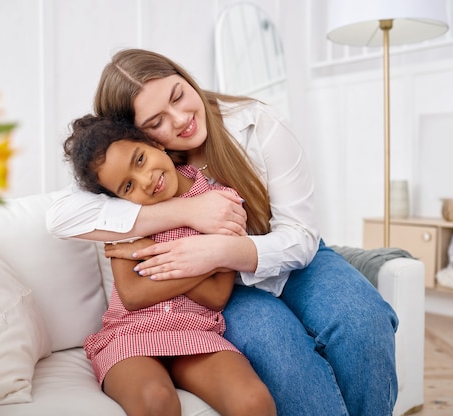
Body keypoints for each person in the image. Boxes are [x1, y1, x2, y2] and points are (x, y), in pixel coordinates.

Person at [47, 48, 399, 416]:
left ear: (185, 78)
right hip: (231, 289)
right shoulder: (143, 176)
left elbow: (300, 235)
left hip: (289, 255)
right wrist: (187, 211)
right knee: (276, 346)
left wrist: (213, 252)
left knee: (362, 320)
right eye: (157, 122)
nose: (181, 119)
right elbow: (59, 217)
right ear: (138, 133)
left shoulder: (255, 122)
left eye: (179, 96)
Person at [63, 114, 276, 416]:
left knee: (254, 401)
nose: (146, 180)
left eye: (139, 160)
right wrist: (208, 262)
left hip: (197, 333)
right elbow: (135, 296)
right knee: (156, 400)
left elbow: (217, 296)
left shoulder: (221, 202)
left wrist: (153, 251)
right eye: (127, 186)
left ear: (154, 143)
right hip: (131, 336)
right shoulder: (122, 216)